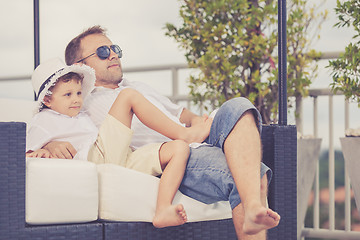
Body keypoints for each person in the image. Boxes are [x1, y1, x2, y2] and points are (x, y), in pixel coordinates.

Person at [44, 25, 280, 239]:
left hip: (196, 138)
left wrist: (200, 121)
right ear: (81, 65)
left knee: (239, 106)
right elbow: (51, 120)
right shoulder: (79, 101)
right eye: (103, 52)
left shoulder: (135, 87)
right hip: (171, 157)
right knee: (252, 172)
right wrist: (48, 146)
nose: (113, 54)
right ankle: (252, 207)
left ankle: (251, 208)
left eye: (114, 48)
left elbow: (181, 113)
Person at [26, 58, 213, 228]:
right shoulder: (43, 120)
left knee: (179, 149)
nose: (76, 99)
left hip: (122, 158)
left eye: (78, 93)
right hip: (96, 156)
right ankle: (185, 134)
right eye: (68, 95)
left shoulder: (81, 114)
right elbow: (22, 152)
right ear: (48, 100)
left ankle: (163, 209)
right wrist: (43, 148)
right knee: (128, 96)